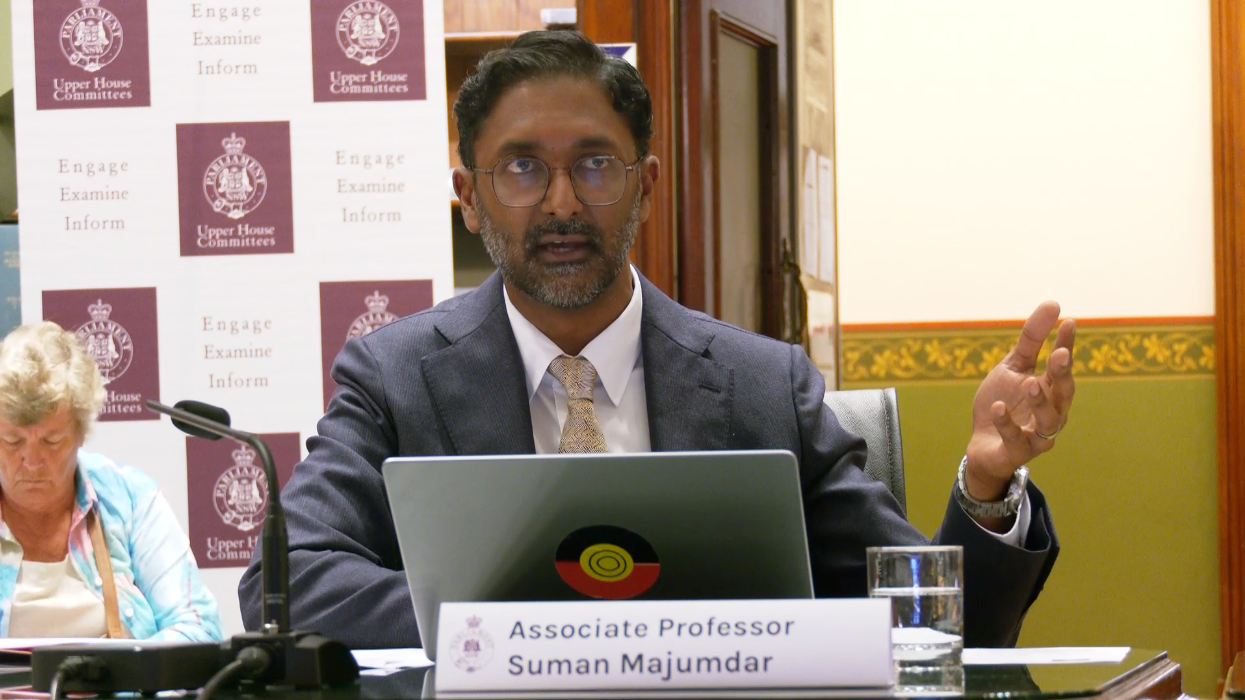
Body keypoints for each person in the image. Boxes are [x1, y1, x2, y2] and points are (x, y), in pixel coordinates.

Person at [240, 30, 1075, 649]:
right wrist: (536, 633)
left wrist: (986, 484)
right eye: (522, 168)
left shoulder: (759, 384)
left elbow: (939, 626)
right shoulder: (397, 378)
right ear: (468, 195)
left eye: (595, 165)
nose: (562, 202)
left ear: (646, 185)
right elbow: (288, 585)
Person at [0, 322, 221, 640]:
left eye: (51, 441)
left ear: (80, 434)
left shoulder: (130, 499)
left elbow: (200, 629)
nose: (32, 461)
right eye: (12, 441)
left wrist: (121, 673)